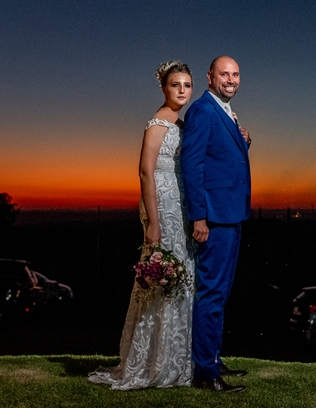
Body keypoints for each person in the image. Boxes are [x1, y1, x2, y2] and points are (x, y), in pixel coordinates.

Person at [89, 61, 198, 390]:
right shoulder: (157, 124)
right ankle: (151, 362)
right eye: (175, 84)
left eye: (187, 85)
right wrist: (152, 222)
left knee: (182, 277)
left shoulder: (181, 124)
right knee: (160, 279)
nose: (182, 90)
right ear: (164, 88)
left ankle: (177, 358)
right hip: (160, 208)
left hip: (180, 208)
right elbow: (145, 172)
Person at [180, 56, 252, 393]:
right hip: (214, 217)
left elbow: (224, 157)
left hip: (232, 214)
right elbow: (192, 165)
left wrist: (244, 141)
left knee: (220, 293)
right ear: (210, 77)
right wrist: (199, 217)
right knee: (211, 292)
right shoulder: (202, 110)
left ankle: (212, 358)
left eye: (236, 74)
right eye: (224, 74)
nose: (231, 79)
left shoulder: (225, 111)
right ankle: (204, 372)